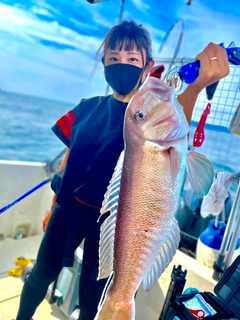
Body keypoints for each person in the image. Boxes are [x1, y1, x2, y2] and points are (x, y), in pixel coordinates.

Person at [15, 20, 229, 320]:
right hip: (67, 211)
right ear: (104, 64)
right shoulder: (86, 107)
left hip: (112, 225)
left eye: (131, 59)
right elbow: (68, 159)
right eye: (113, 58)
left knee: (93, 298)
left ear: (148, 66)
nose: (121, 65)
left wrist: (194, 87)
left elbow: (169, 135)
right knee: (40, 275)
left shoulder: (147, 116)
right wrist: (52, 207)